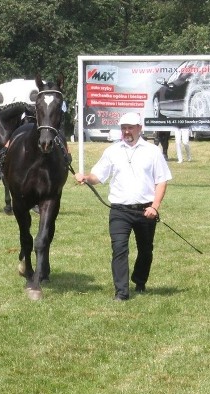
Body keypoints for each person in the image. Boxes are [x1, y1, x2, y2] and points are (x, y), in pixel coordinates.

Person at [73, 112, 172, 301]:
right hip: (119, 210)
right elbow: (98, 176)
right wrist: (86, 177)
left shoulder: (152, 152)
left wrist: (155, 206)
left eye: (131, 127)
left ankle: (140, 280)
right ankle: (122, 292)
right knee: (119, 249)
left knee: (146, 250)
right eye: (124, 127)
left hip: (145, 210)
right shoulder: (112, 151)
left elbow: (161, 181)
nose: (127, 131)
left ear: (139, 129)